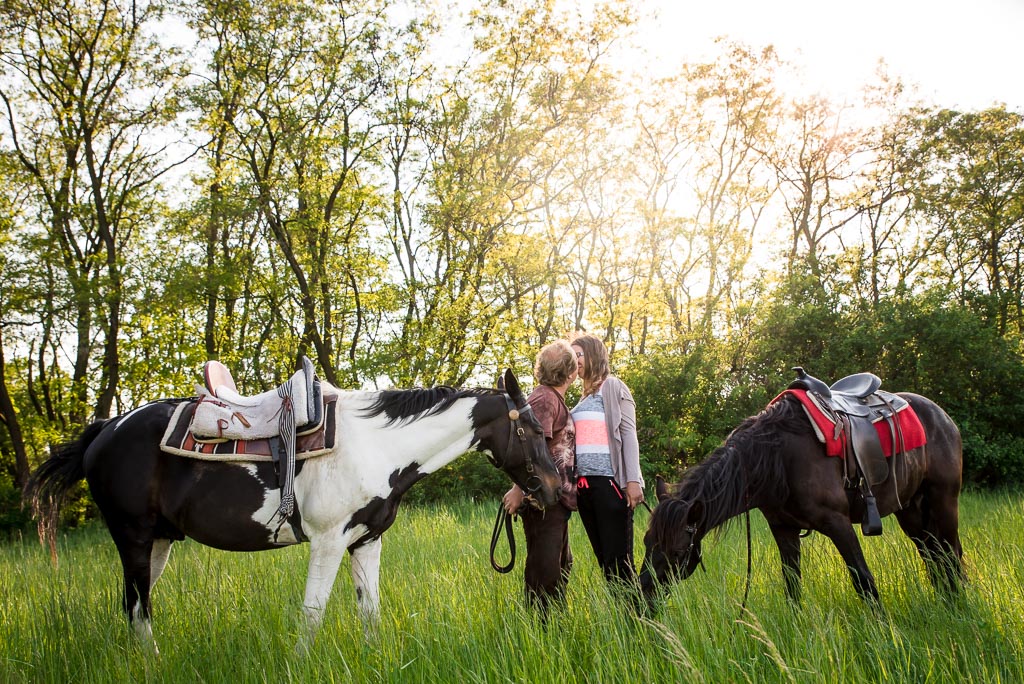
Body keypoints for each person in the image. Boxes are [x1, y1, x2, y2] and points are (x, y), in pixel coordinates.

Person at [502, 339, 578, 612]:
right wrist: (518, 490)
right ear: (572, 372)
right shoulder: (544, 399)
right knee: (544, 573)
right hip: (541, 500)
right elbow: (530, 449)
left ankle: (555, 626)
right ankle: (540, 631)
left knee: (562, 564)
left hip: (556, 500)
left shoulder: (552, 398)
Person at [570, 333, 644, 586]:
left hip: (609, 484)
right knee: (605, 563)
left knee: (619, 562)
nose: (574, 360)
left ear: (593, 355)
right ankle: (623, 618)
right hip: (584, 488)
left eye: (578, 354)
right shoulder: (581, 399)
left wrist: (633, 480)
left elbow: (628, 434)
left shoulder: (612, 386)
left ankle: (636, 617)